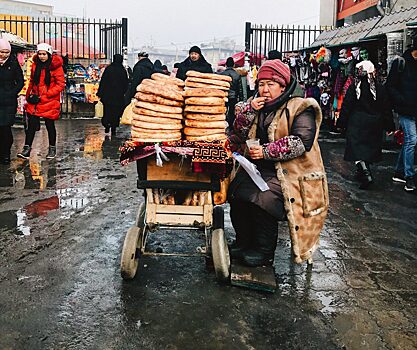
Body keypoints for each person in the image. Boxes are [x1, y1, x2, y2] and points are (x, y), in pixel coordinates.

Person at [228, 59, 328, 267]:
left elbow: (301, 142)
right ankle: (244, 242)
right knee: (237, 192)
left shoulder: (300, 107)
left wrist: (266, 151)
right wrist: (249, 110)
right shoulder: (258, 106)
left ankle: (264, 250)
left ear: (283, 86)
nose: (264, 90)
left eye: (270, 85)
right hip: (261, 169)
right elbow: (238, 132)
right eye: (261, 84)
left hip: (291, 173)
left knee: (262, 198)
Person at [337, 60, 394, 189]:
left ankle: (365, 174)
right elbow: (386, 107)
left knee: (357, 151)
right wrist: (389, 125)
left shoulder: (354, 87)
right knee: (367, 150)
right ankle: (363, 172)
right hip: (374, 124)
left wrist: (341, 123)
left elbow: (347, 106)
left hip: (356, 123)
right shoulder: (379, 87)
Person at [17, 43, 65, 160]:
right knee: (31, 125)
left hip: (49, 100)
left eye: (44, 54)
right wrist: (29, 95)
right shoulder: (35, 66)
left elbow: (61, 84)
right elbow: (32, 81)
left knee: (50, 125)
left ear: (49, 54)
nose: (42, 56)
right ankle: (27, 149)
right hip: (36, 100)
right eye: (40, 54)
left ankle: (52, 148)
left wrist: (48, 94)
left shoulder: (56, 67)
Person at [386, 39, 417, 192]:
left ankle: (399, 172)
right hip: (405, 110)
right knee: (412, 140)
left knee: (408, 142)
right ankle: (409, 177)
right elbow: (390, 86)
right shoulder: (401, 63)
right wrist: (401, 101)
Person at [0, 38, 24, 164]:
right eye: (1, 52)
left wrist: (12, 92)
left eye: (6, 52)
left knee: (5, 128)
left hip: (8, 101)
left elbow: (20, 81)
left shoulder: (13, 63)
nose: (4, 55)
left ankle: (5, 154)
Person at [97, 54, 129, 135]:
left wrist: (100, 92)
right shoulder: (122, 70)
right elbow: (126, 83)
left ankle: (107, 125)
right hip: (118, 96)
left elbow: (103, 82)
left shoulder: (109, 69)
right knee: (116, 112)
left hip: (108, 96)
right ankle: (114, 127)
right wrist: (123, 93)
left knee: (107, 111)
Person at [220, 57, 241, 127]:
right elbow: (239, 88)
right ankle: (231, 126)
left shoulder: (222, 74)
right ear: (233, 65)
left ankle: (222, 123)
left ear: (226, 65)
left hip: (223, 95)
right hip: (233, 96)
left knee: (223, 110)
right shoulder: (237, 75)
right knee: (232, 112)